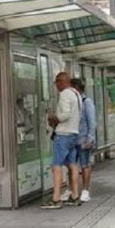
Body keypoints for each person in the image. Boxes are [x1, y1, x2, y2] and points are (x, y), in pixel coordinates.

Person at [41, 72, 81, 209]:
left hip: (63, 134)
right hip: (74, 133)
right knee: (73, 164)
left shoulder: (65, 94)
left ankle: (56, 199)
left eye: (57, 83)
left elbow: (65, 115)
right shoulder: (76, 94)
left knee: (56, 165)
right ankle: (75, 196)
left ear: (61, 81)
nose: (56, 86)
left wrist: (54, 119)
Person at [60, 78, 97, 203]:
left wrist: (90, 139)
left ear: (76, 87)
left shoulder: (87, 102)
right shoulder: (72, 102)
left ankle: (85, 190)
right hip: (72, 139)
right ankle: (71, 189)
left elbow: (92, 122)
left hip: (83, 139)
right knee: (71, 165)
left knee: (85, 164)